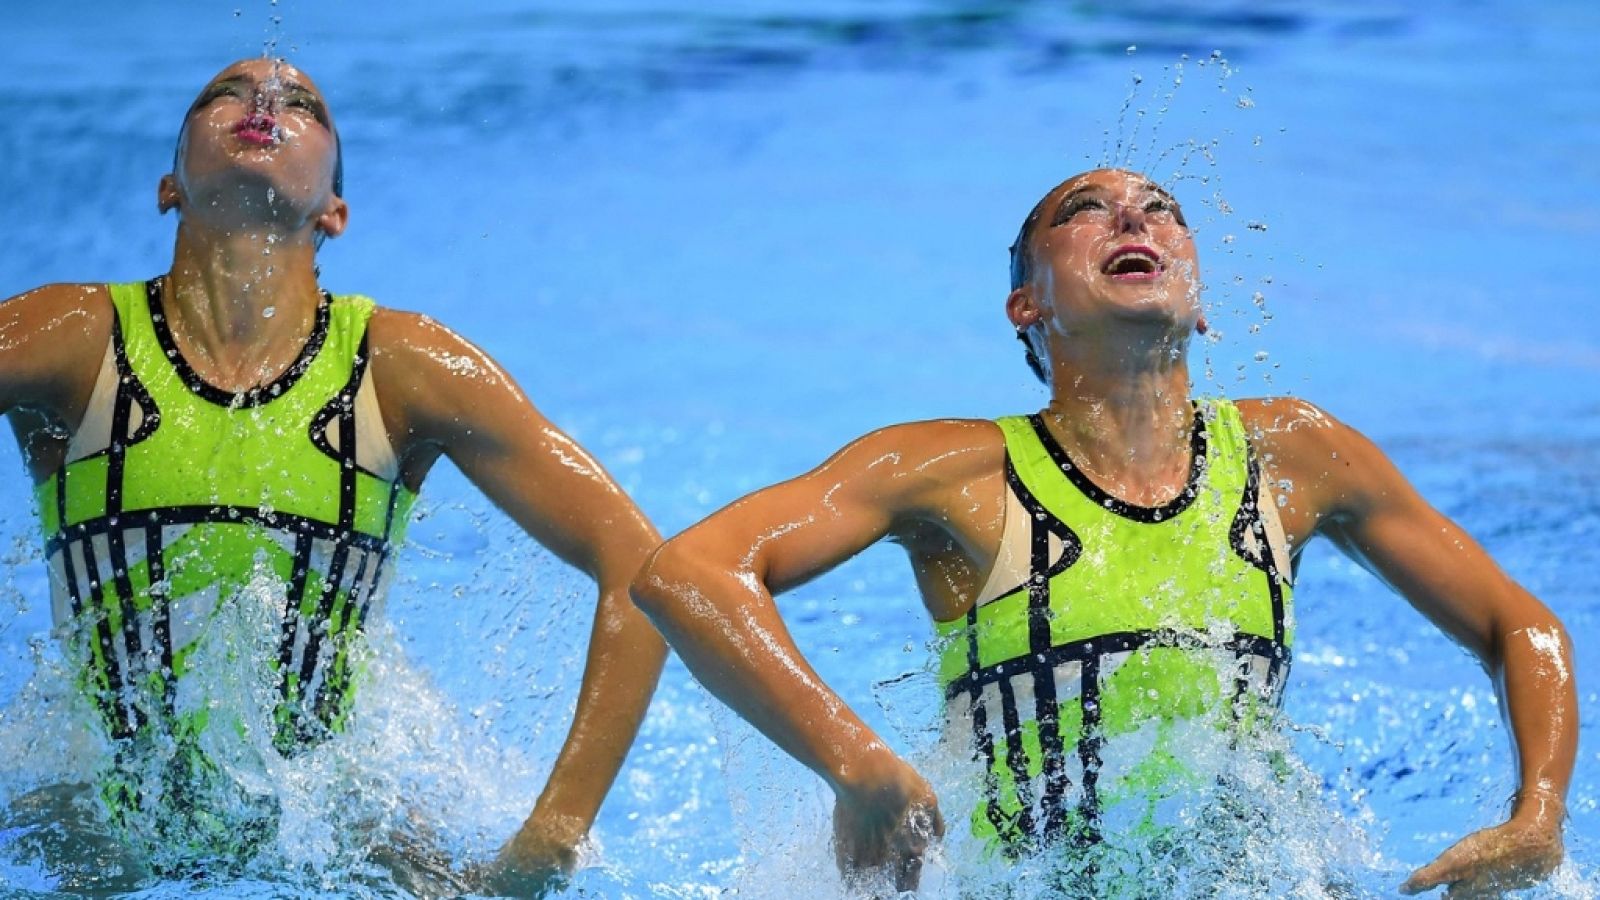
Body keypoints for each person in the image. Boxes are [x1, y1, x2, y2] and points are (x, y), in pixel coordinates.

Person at [631, 167, 1577, 895]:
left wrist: (1538, 815)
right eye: (1085, 209)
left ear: (1200, 299)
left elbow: (1519, 624)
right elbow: (690, 571)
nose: (1133, 219)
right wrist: (857, 764)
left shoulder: (1297, 452)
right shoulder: (953, 471)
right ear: (1027, 305)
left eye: (1162, 208)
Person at [0, 58, 665, 890]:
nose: (263, 104)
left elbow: (644, 570)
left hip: (333, 826)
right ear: (169, 185)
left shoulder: (401, 365)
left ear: (336, 213)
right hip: (92, 833)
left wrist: (552, 834)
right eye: (224, 95)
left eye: (301, 105)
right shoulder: (74, 335)